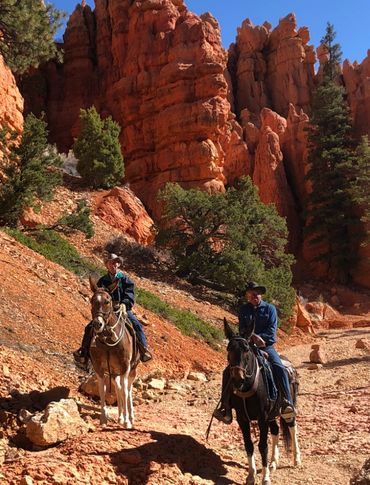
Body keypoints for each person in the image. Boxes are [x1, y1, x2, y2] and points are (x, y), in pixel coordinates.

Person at [213, 281, 296, 424]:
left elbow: (271, 331)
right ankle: (225, 408)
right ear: (247, 295)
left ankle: (287, 403)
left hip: (266, 346)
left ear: (260, 294)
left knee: (279, 367)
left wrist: (260, 337)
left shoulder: (270, 309)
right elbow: (242, 331)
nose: (254, 295)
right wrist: (250, 338)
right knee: (228, 371)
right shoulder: (244, 310)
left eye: (257, 292)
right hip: (248, 347)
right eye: (251, 293)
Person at [74, 253, 152, 367]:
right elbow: (98, 294)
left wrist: (125, 304)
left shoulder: (125, 279)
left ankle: (143, 350)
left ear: (119, 264)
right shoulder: (103, 280)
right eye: (111, 262)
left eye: (116, 262)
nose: (114, 264)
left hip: (121, 308)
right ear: (107, 265)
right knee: (89, 327)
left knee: (136, 325)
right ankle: (84, 352)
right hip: (106, 310)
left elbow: (129, 294)